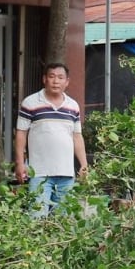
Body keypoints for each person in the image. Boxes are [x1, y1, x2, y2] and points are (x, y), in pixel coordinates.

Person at [14, 63, 88, 217]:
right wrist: (20, 164)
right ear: (44, 79)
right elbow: (21, 134)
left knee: (64, 222)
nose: (56, 81)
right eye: (52, 76)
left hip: (66, 174)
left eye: (60, 77)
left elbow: (77, 136)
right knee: (36, 219)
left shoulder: (73, 106)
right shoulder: (30, 103)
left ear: (67, 82)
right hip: (39, 174)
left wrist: (84, 164)